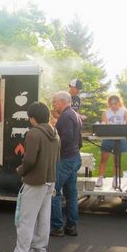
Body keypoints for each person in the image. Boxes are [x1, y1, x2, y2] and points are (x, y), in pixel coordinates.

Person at [1, 102, 60, 252]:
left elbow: (29, 159)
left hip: (35, 181)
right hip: (50, 180)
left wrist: (20, 170)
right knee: (43, 218)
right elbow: (57, 159)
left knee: (25, 219)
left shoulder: (34, 133)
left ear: (32, 118)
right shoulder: (55, 133)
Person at [50, 91, 82, 237]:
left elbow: (67, 137)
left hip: (65, 159)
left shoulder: (67, 116)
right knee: (71, 194)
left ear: (62, 101)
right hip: (74, 157)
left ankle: (57, 227)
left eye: (55, 102)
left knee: (54, 192)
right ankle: (71, 227)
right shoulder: (74, 114)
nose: (53, 105)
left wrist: (55, 150)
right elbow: (78, 140)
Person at [95, 95, 127, 188]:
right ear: (109, 104)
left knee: (117, 161)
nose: (113, 106)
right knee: (104, 159)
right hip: (108, 139)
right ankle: (100, 179)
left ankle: (115, 179)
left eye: (115, 104)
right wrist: (102, 125)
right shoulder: (106, 113)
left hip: (119, 139)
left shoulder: (125, 112)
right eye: (111, 104)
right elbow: (104, 124)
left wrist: (124, 127)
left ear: (119, 103)